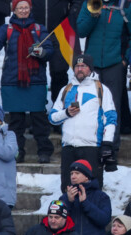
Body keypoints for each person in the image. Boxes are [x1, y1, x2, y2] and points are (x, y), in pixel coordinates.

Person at [0, 1, 54, 164]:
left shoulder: (39, 29)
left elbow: (50, 51)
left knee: (39, 120)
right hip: (12, 81)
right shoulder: (6, 29)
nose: (23, 10)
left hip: (36, 81)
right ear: (14, 10)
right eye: (20, 8)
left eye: (26, 7)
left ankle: (44, 152)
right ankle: (17, 152)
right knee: (16, 122)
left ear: (30, 9)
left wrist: (41, 52)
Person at [76, 0, 131, 169]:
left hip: (114, 63)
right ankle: (90, 146)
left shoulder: (126, 5)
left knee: (113, 108)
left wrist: (125, 59)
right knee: (91, 105)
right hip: (92, 65)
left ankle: (111, 149)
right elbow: (81, 31)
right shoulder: (90, 3)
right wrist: (93, 15)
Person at [49, 53, 116, 190]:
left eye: (83, 66)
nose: (80, 69)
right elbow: (52, 117)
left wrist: (107, 143)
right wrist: (66, 113)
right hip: (69, 147)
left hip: (91, 147)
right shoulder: (66, 90)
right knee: (68, 189)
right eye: (77, 66)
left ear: (90, 68)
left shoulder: (101, 89)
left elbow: (110, 118)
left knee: (92, 190)